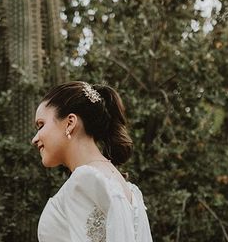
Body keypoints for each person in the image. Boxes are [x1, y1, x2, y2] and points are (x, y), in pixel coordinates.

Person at [32, 81, 153, 241]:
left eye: (41, 125)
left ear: (70, 123)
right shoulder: (129, 190)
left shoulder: (84, 181)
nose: (35, 139)